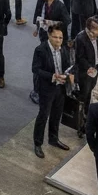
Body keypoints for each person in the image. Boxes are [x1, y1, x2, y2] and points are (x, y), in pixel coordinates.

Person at [32, 25, 75, 157]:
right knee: (43, 115)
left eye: (60, 37)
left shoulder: (64, 49)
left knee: (57, 114)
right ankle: (38, 144)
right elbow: (36, 69)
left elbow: (68, 65)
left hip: (60, 87)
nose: (58, 40)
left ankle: (53, 139)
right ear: (49, 36)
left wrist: (68, 75)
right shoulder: (41, 50)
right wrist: (52, 76)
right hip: (47, 88)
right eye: (55, 37)